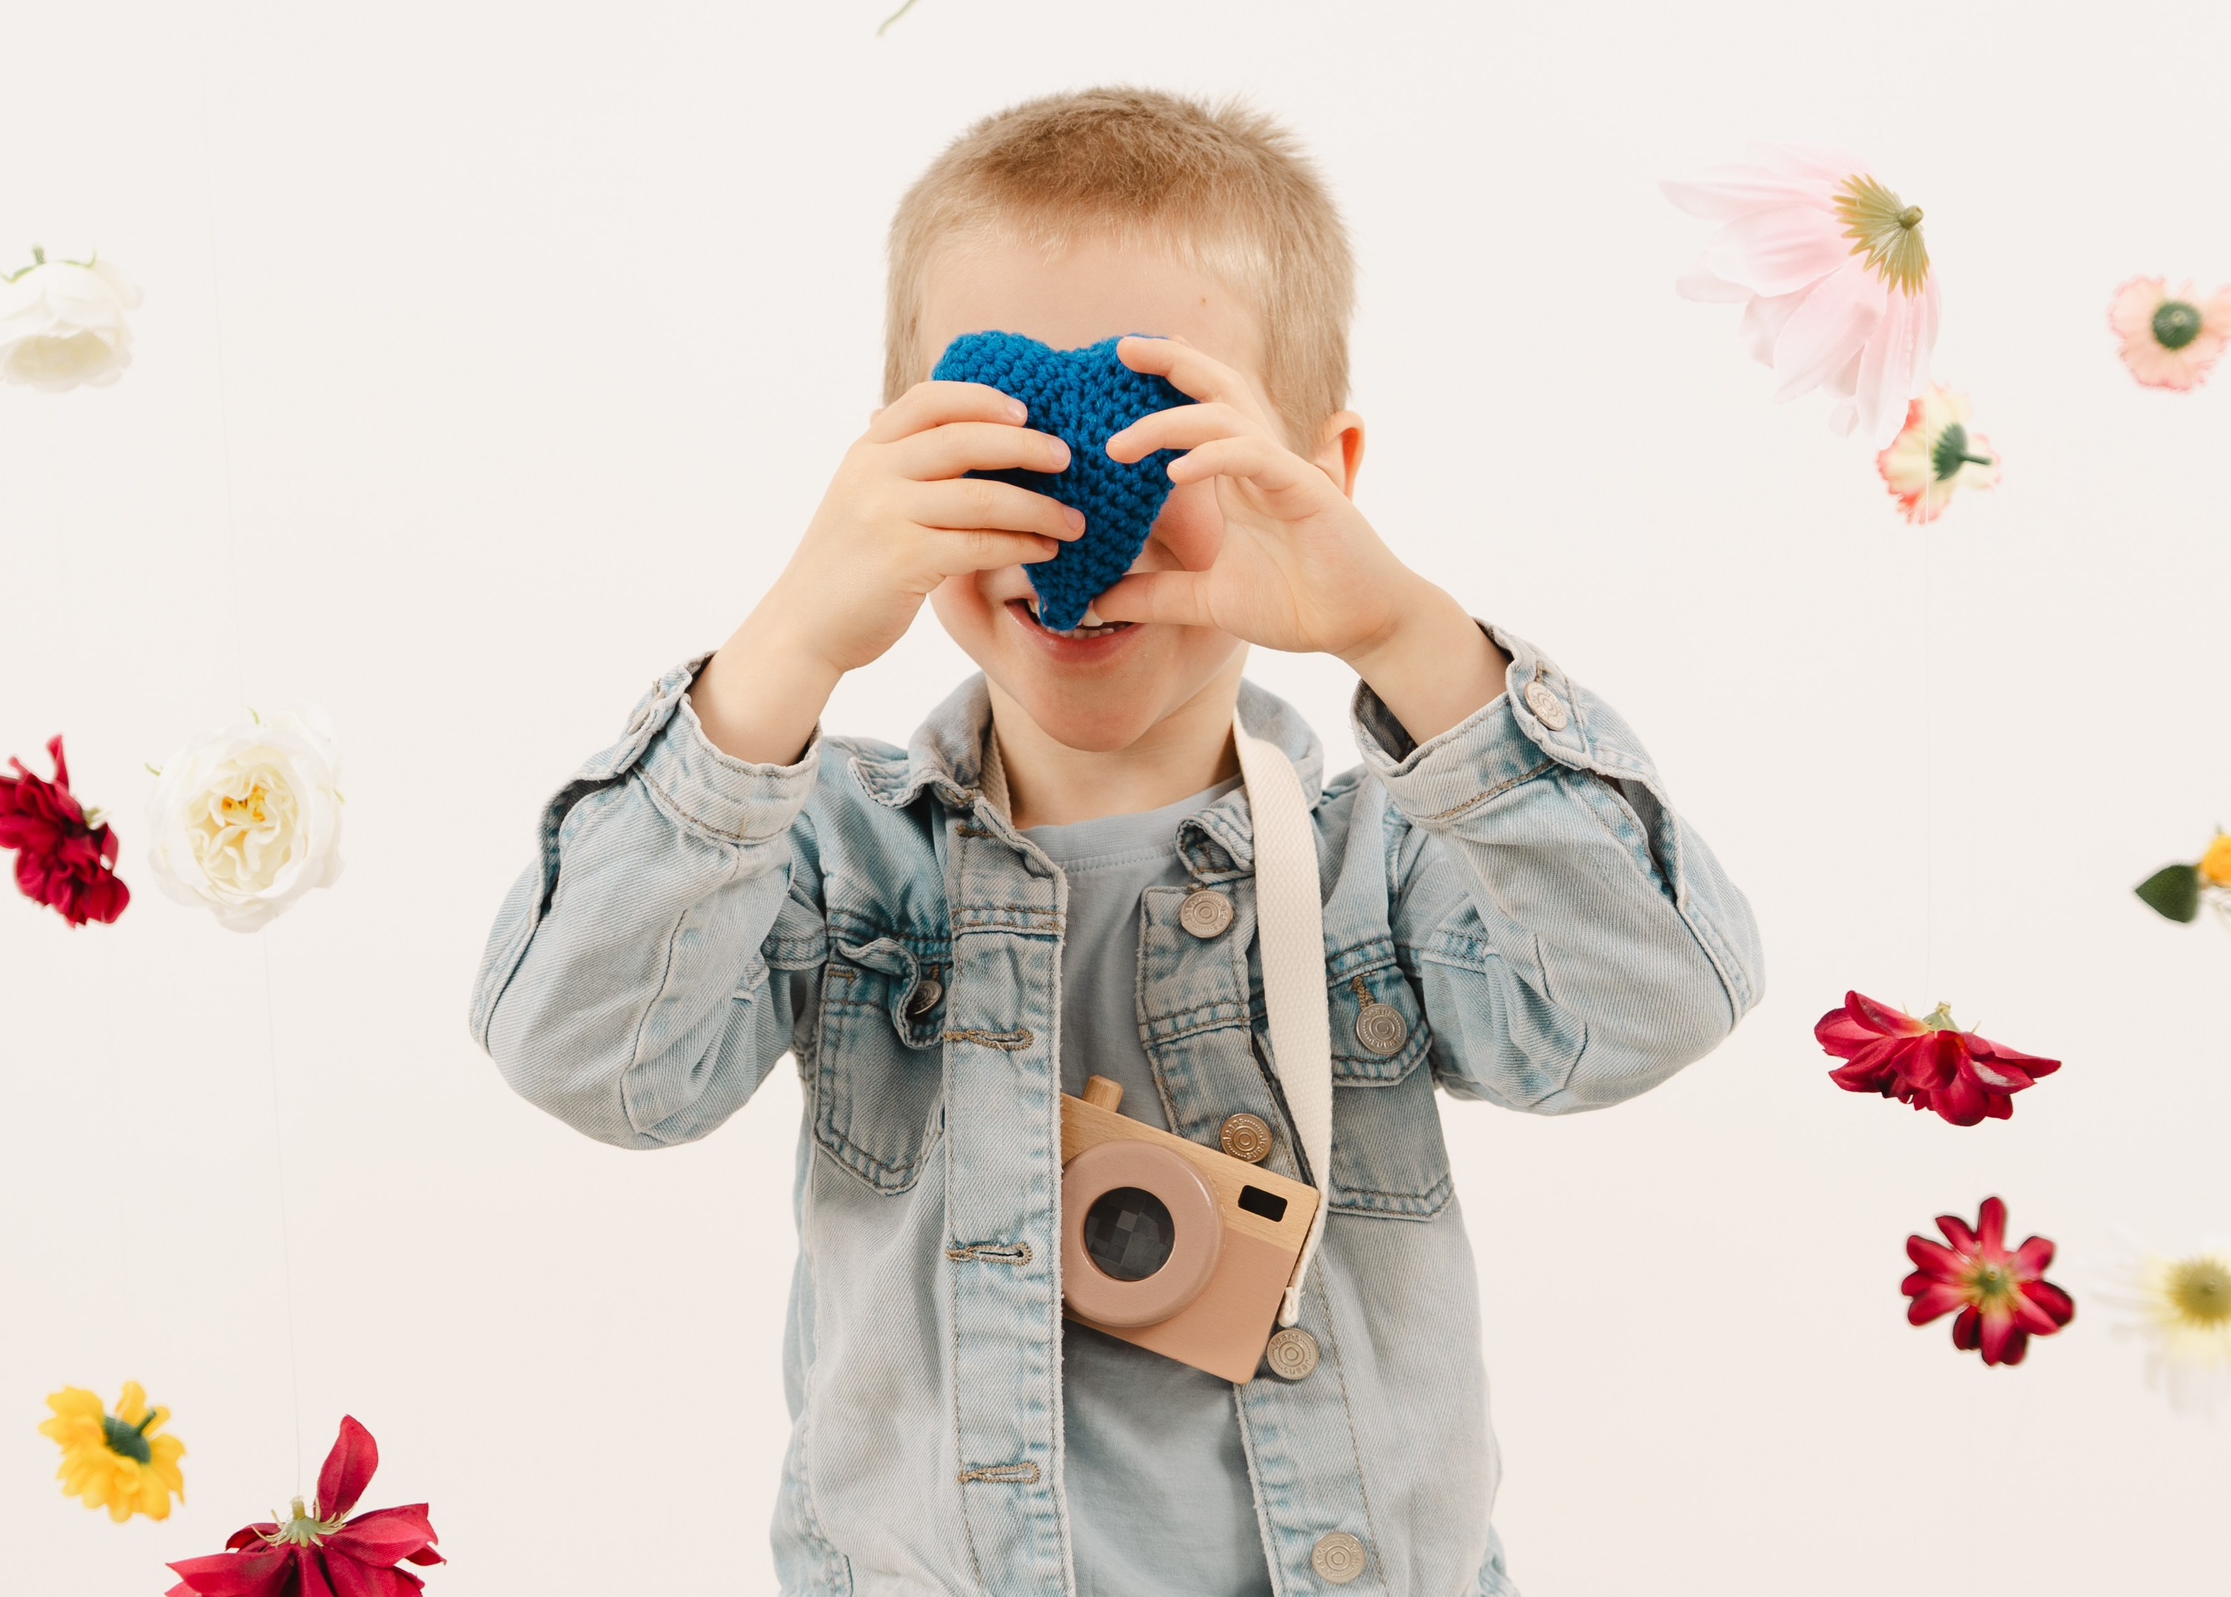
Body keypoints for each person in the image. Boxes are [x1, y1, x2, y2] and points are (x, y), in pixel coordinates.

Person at [472, 86, 1763, 1597]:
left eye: (1163, 444)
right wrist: (782, 653)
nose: (1084, 517)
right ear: (885, 469)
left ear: (1323, 478)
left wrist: (1402, 629)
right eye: (997, 448)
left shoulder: (1390, 866)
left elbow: (1662, 996)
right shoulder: (833, 865)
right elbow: (582, 1056)